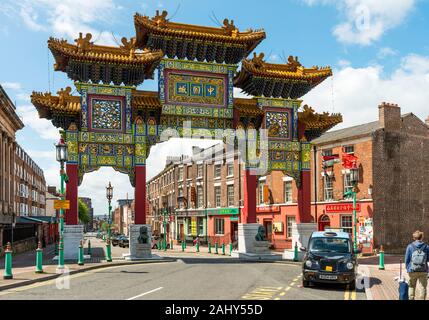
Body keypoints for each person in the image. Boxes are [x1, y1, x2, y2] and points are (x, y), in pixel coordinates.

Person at [405, 230, 429, 300]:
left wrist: (408, 268)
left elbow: (407, 259)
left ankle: (411, 298)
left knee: (411, 286)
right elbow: (428, 259)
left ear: (414, 238)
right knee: (423, 287)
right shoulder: (426, 247)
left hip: (412, 270)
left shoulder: (410, 246)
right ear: (422, 237)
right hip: (423, 270)